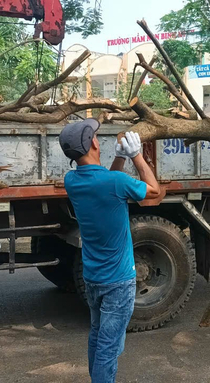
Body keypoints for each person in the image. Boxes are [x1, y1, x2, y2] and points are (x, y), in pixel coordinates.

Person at [59, 119, 160, 383]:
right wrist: (136, 156)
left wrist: (119, 158)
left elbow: (107, 182)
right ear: (93, 143)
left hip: (93, 278)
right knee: (109, 347)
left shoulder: (72, 180)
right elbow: (153, 191)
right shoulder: (114, 182)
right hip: (118, 281)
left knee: (98, 336)